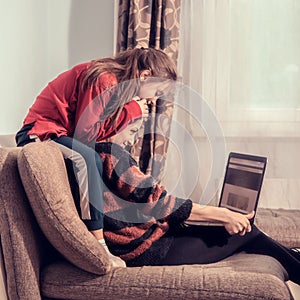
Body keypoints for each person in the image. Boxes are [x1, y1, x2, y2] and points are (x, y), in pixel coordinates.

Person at [15, 47, 177, 267]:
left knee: (98, 158)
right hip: (40, 132)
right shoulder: (104, 79)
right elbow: (85, 136)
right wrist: (131, 111)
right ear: (145, 75)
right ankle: (98, 243)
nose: (155, 98)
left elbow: (96, 131)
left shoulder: (114, 86)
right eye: (157, 91)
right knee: (88, 158)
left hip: (61, 133)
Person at [93, 119, 300, 285]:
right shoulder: (110, 152)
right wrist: (224, 215)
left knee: (243, 232)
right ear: (116, 121)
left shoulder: (97, 152)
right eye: (131, 131)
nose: (131, 141)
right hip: (147, 250)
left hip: (152, 236)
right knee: (247, 232)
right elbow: (159, 202)